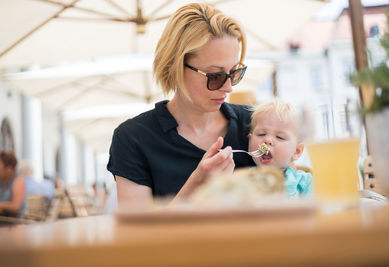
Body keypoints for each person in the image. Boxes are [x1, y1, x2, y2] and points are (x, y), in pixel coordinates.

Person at [107, 3, 255, 208]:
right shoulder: (133, 138)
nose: (228, 87)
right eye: (215, 76)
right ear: (175, 65)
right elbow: (140, 238)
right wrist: (195, 187)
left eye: (234, 73)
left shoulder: (256, 125)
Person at [248, 100, 313, 198]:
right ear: (250, 141)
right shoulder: (245, 181)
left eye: (279, 137)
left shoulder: (304, 182)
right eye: (261, 134)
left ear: (296, 151)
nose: (267, 140)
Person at [0, 150, 27, 216]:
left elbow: (15, 207)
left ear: (9, 168)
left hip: (16, 221)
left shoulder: (18, 180)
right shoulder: (1, 180)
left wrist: (1, 205)